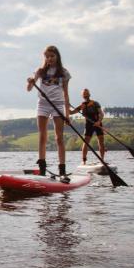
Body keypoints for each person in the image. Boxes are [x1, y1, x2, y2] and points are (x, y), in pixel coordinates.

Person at [26, 45, 71, 176]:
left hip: (58, 105)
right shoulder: (40, 71)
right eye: (47, 57)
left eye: (52, 56)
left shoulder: (64, 72)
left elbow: (66, 95)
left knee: (59, 138)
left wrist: (67, 115)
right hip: (43, 104)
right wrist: (30, 82)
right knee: (42, 136)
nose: (49, 59)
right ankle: (42, 168)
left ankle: (62, 170)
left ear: (57, 56)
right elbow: (29, 89)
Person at [70, 88, 106, 164]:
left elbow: (101, 114)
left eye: (86, 93)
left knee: (101, 142)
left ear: (89, 95)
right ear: (83, 96)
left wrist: (99, 122)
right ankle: (84, 161)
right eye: (84, 94)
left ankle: (102, 160)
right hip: (88, 125)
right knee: (85, 142)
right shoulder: (82, 105)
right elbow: (71, 112)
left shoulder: (95, 103)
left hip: (97, 123)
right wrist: (66, 105)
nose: (85, 95)